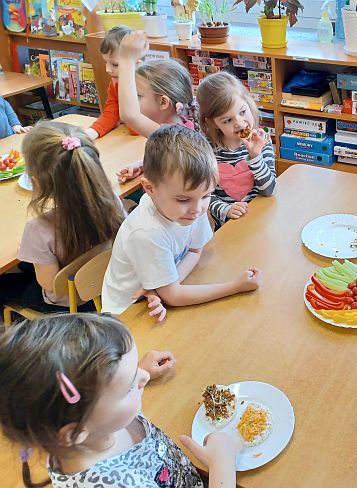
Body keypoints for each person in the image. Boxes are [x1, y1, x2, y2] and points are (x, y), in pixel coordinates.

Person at [0, 313, 241, 487]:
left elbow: (106, 402)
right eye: (128, 386)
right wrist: (222, 463)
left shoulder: (82, 427)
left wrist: (127, 374)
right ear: (75, 433)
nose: (143, 378)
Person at [101, 125, 262, 315]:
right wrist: (235, 287)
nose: (198, 209)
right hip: (126, 315)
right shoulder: (147, 232)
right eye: (183, 200)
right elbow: (174, 297)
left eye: (206, 196)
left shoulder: (189, 206)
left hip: (157, 299)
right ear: (149, 188)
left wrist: (166, 287)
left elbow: (195, 250)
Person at [0, 121, 145, 316]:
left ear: (36, 182)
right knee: (27, 263)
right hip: (108, 285)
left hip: (70, 304)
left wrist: (32, 252)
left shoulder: (38, 230)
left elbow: (49, 285)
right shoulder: (112, 200)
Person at [197, 72, 276, 229]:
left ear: (248, 102)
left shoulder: (262, 141)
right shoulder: (205, 150)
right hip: (229, 228)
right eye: (227, 120)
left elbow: (269, 190)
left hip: (262, 222)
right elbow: (202, 195)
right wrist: (226, 209)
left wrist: (255, 156)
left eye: (242, 112)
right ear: (212, 123)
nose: (239, 123)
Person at [117, 31, 196, 138]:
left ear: (163, 102)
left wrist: (126, 60)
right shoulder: (182, 120)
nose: (132, 100)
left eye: (138, 96)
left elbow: (130, 116)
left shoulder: (172, 136)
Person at [85, 26, 137, 140]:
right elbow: (110, 113)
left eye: (115, 64)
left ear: (137, 63)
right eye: (105, 62)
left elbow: (136, 129)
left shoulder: (147, 86)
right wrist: (90, 133)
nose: (107, 69)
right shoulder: (115, 83)